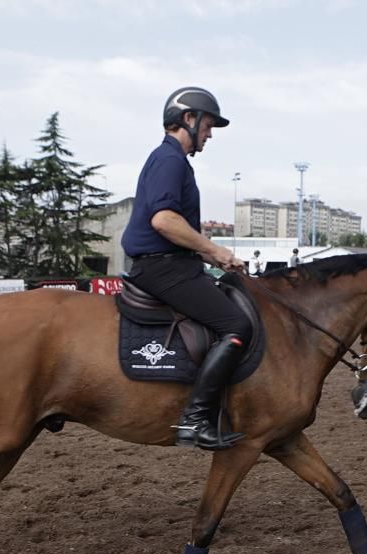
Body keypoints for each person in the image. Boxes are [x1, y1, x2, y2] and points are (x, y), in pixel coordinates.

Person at [120, 87, 251, 451]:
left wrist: (210, 256)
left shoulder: (173, 160)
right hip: (163, 268)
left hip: (175, 264)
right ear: (189, 120)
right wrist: (216, 250)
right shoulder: (170, 160)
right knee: (236, 324)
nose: (209, 134)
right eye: (208, 125)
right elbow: (163, 220)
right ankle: (194, 418)